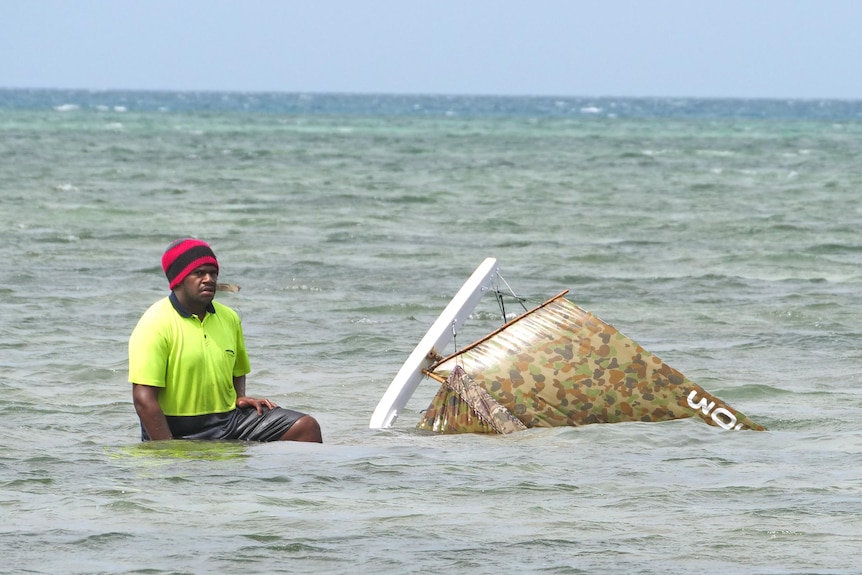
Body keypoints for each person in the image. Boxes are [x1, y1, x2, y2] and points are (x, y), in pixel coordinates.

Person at [129, 238, 322, 443]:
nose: (209, 279)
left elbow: (238, 371)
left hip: (229, 421)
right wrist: (167, 451)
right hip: (177, 428)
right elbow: (143, 400)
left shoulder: (229, 317)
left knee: (306, 427)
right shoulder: (154, 323)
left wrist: (239, 396)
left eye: (213, 273)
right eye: (199, 273)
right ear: (179, 278)